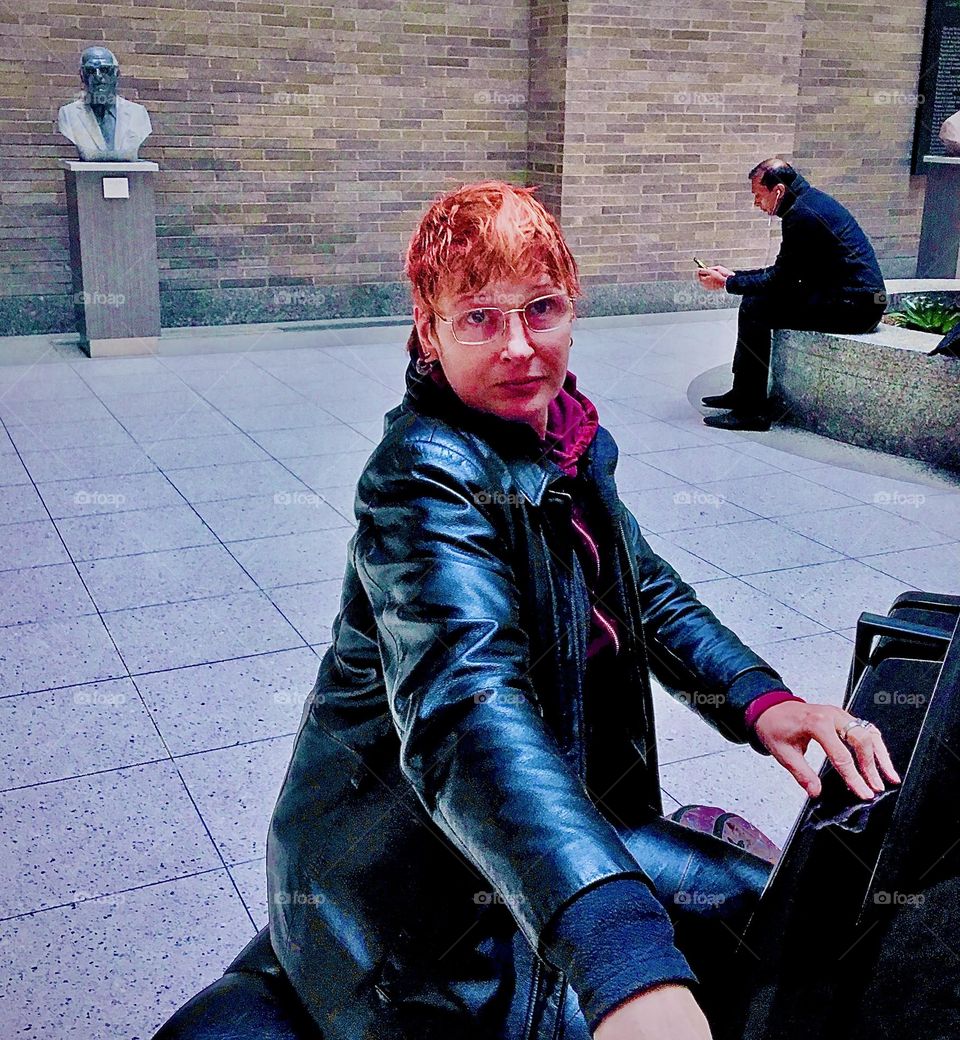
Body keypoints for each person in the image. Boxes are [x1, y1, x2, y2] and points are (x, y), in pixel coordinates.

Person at [152, 181, 899, 1040]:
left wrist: (761, 700)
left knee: (793, 933)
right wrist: (621, 959)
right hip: (417, 891)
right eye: (479, 318)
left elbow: (642, 589)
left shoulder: (565, 439)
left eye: (541, 309)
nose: (518, 347)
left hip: (555, 836)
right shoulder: (421, 480)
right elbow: (468, 711)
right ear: (428, 332)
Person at [696, 159, 887, 431]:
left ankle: (752, 412)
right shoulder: (807, 204)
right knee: (755, 301)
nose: (756, 203)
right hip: (847, 297)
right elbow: (786, 272)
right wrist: (733, 276)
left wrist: (729, 284)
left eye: (758, 195)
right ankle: (743, 394)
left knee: (756, 308)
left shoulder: (803, 215)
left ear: (778, 191)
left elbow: (781, 280)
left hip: (858, 307)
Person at [56, 47, 152, 162]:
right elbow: (89, 155)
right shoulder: (68, 114)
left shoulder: (138, 113)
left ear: (116, 74)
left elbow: (130, 154)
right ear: (82, 76)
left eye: (105, 70)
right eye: (90, 71)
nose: (98, 76)